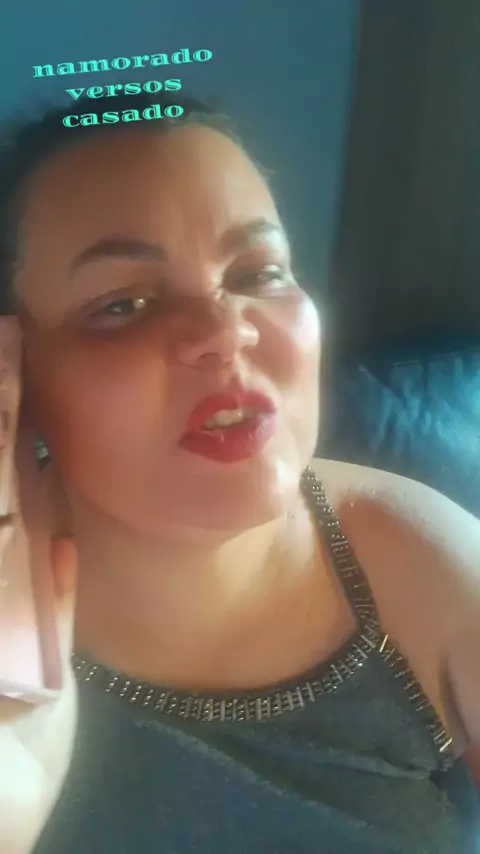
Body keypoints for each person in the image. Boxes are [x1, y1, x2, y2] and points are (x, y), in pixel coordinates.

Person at [0, 91, 479, 854]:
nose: (227, 330)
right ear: (16, 373)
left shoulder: (421, 563)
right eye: (124, 304)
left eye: (258, 273)